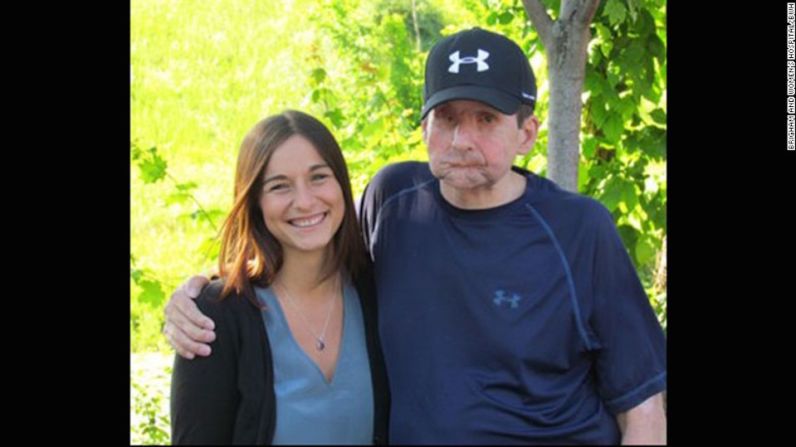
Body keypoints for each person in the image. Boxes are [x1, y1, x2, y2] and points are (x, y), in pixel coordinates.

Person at [165, 28, 667, 444]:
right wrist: (204, 294)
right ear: (424, 127)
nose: (460, 140)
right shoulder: (396, 200)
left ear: (528, 132)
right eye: (446, 119)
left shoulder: (579, 230)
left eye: (485, 119)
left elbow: (643, 406)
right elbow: (308, 248)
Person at [168, 110, 388, 444]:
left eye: (318, 177)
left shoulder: (378, 290)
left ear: (341, 183)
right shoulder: (216, 318)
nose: (304, 201)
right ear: (255, 201)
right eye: (279, 186)